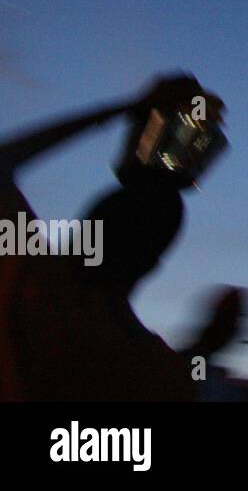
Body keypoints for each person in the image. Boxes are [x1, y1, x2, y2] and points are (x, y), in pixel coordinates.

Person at [0, 74, 224, 400]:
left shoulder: (24, 274)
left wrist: (126, 108)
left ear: (82, 230)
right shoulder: (159, 376)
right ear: (152, 262)